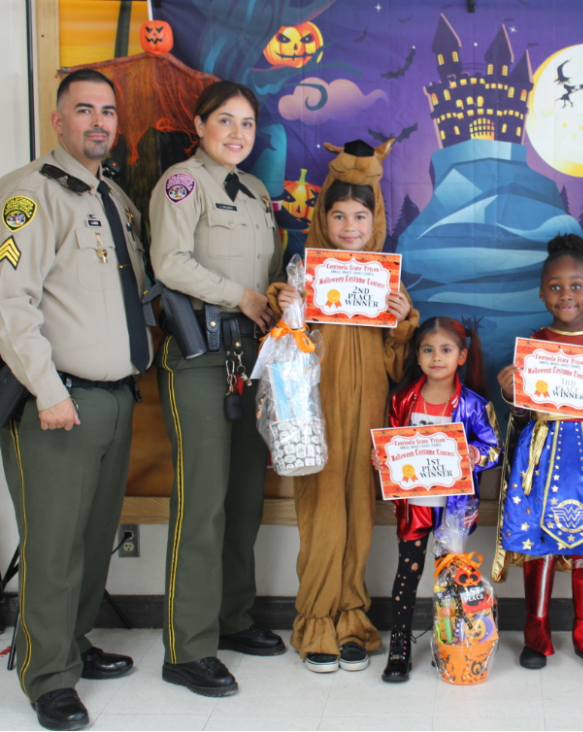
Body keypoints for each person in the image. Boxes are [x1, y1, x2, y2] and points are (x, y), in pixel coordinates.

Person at [0, 68, 150, 731]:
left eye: (108, 111)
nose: (98, 122)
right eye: (84, 110)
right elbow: (7, 301)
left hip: (112, 399)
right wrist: (47, 391)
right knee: (53, 547)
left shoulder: (110, 198)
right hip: (55, 402)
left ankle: (71, 644)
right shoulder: (30, 194)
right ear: (58, 121)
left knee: (92, 538)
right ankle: (45, 675)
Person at [149, 80, 284, 697]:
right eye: (225, 121)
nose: (237, 134)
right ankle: (188, 645)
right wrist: (244, 297)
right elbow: (169, 262)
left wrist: (283, 295)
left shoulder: (256, 192)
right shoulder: (183, 183)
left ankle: (231, 620)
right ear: (199, 126)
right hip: (202, 352)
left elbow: (270, 273)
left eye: (248, 124)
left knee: (244, 497)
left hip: (255, 355)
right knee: (202, 500)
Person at [268, 139, 419, 673]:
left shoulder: (386, 282)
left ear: (375, 218)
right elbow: (285, 348)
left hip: (369, 418)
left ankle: (352, 618)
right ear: (322, 219)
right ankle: (315, 622)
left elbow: (400, 367)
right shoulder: (303, 275)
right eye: (339, 215)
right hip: (316, 417)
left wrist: (402, 321)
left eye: (361, 215)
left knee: (359, 513)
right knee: (322, 515)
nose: (351, 226)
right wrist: (288, 305)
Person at [493, 234, 583, 671]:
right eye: (555, 286)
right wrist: (511, 393)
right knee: (539, 544)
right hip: (541, 458)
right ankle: (535, 631)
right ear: (542, 293)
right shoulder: (534, 344)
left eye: (576, 285)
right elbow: (524, 411)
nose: (566, 294)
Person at [374, 317, 501, 682]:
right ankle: (400, 643)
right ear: (417, 355)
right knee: (408, 574)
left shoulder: (474, 405)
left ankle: (451, 642)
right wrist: (381, 459)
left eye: (445, 350)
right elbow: (391, 447)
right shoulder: (402, 399)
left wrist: (476, 455)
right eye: (428, 350)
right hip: (414, 508)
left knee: (451, 581)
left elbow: (494, 450)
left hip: (454, 513)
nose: (436, 358)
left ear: (461, 356)